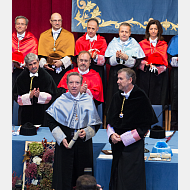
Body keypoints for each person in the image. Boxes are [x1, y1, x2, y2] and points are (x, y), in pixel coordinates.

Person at [46, 72, 102, 190]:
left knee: (84, 178)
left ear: (81, 84)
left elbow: (95, 124)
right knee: (64, 179)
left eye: (77, 83)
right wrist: (61, 138)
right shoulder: (60, 100)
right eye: (71, 83)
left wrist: (87, 132)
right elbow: (51, 122)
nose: (74, 85)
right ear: (67, 84)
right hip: (65, 145)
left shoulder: (88, 100)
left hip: (83, 146)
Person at [106, 68, 158, 190]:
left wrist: (123, 138)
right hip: (116, 145)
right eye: (117, 78)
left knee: (131, 179)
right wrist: (112, 135)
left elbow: (145, 126)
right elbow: (110, 121)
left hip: (133, 148)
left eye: (120, 79)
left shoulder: (140, 97)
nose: (117, 81)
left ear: (130, 80)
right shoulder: (116, 96)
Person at [105, 22, 145, 112]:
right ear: (118, 32)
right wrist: (116, 58)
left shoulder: (134, 44)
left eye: (126, 32)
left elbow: (137, 62)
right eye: (122, 31)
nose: (124, 34)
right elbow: (107, 60)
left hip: (129, 76)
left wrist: (127, 58)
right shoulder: (113, 43)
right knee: (114, 98)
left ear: (130, 33)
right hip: (115, 74)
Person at [13, 53, 57, 126]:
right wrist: (28, 97)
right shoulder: (21, 78)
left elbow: (53, 94)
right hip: (25, 113)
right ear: (26, 65)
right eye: (30, 65)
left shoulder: (46, 76)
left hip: (42, 112)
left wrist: (40, 96)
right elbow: (15, 96)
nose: (33, 66)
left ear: (38, 62)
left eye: (35, 63)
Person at [136, 19, 168, 105]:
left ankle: (157, 117)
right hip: (144, 74)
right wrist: (145, 64)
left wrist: (158, 69)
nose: (153, 31)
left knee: (157, 98)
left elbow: (165, 62)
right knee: (144, 98)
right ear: (148, 30)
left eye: (155, 29)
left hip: (158, 76)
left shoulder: (163, 44)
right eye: (151, 29)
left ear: (159, 31)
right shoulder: (142, 44)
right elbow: (137, 60)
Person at [38, 12, 75, 85]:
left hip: (63, 70)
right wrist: (44, 64)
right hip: (47, 70)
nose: (57, 23)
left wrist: (61, 63)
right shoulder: (43, 35)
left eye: (59, 20)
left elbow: (70, 56)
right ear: (50, 21)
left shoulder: (69, 35)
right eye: (55, 20)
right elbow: (41, 56)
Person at [12, 16, 38, 86]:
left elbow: (34, 58)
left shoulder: (32, 40)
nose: (20, 26)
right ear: (15, 25)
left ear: (26, 26)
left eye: (22, 24)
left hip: (26, 70)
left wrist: (23, 64)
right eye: (18, 24)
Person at [167, 35, 178, 130]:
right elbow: (169, 59)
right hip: (177, 72)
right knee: (176, 97)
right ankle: (175, 125)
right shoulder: (175, 40)